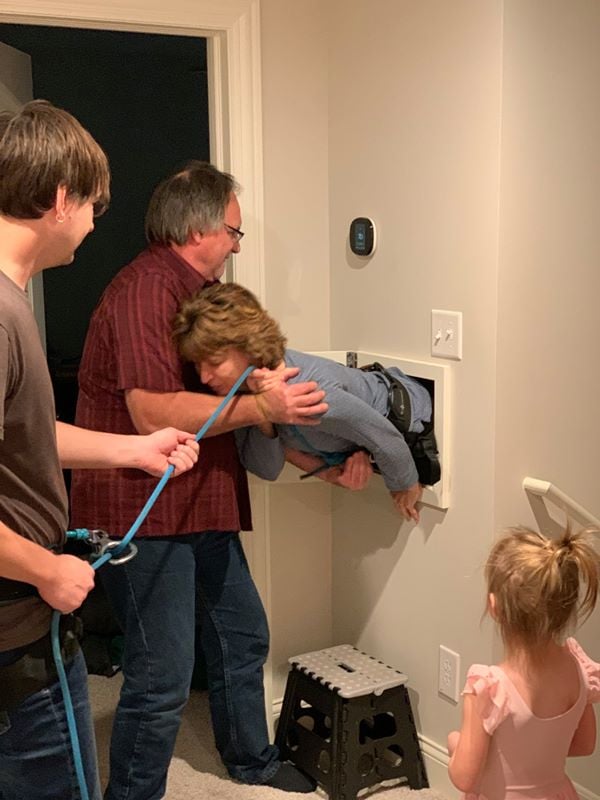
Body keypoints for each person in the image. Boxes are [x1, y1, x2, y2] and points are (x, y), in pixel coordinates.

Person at [69, 161, 331, 798]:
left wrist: (315, 456)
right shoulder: (145, 290)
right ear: (201, 227)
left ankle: (250, 761)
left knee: (243, 636)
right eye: (236, 234)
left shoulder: (199, 298)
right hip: (145, 509)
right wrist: (264, 407)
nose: (237, 249)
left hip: (200, 503)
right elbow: (152, 411)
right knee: (161, 676)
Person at [0, 100, 199, 800]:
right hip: (14, 632)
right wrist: (46, 570)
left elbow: (27, 432)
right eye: (91, 204)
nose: (92, 222)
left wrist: (135, 451)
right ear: (59, 199)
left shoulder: (12, 302)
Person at [172, 281, 438, 522]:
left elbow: (384, 437)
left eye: (215, 363)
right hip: (369, 443)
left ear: (248, 349)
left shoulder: (310, 393)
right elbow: (266, 469)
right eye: (198, 364)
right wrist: (263, 414)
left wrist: (405, 485)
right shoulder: (246, 392)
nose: (204, 377)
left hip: (411, 418)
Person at [447, 525, 600, 800]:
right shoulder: (578, 670)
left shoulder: (489, 689)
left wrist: (454, 743)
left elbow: (464, 777)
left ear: (494, 607)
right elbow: (584, 744)